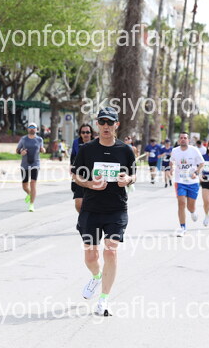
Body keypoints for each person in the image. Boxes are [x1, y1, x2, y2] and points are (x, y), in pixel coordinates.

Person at [72, 107, 136, 316]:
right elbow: (76, 176)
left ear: (117, 124)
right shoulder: (87, 149)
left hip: (116, 208)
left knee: (110, 251)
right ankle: (96, 276)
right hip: (91, 209)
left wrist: (128, 180)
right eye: (102, 122)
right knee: (91, 257)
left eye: (110, 122)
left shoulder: (125, 150)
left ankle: (104, 300)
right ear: (97, 124)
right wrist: (89, 184)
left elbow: (133, 175)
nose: (106, 126)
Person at [170, 132, 205, 237]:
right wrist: (171, 168)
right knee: (181, 203)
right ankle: (183, 228)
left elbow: (202, 163)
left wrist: (196, 173)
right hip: (180, 181)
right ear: (178, 140)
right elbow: (171, 161)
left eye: (185, 138)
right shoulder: (175, 151)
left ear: (188, 140)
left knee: (190, 206)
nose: (183, 139)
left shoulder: (194, 150)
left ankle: (193, 212)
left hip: (193, 182)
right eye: (181, 138)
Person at [17, 122, 45, 212]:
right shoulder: (23, 139)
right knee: (25, 186)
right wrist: (21, 152)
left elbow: (42, 149)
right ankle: (29, 194)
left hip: (35, 164)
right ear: (28, 129)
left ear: (36, 129)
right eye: (30, 127)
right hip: (25, 164)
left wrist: (43, 150)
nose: (32, 129)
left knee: (33, 183)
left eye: (34, 127)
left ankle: (31, 205)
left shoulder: (39, 139)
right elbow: (17, 150)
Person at [71, 124, 94, 213]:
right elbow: (73, 156)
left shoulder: (96, 143)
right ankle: (83, 217)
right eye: (83, 132)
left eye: (88, 132)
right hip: (79, 173)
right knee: (79, 204)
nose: (85, 134)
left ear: (91, 133)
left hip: (91, 174)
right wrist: (71, 167)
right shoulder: (76, 142)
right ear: (80, 134)